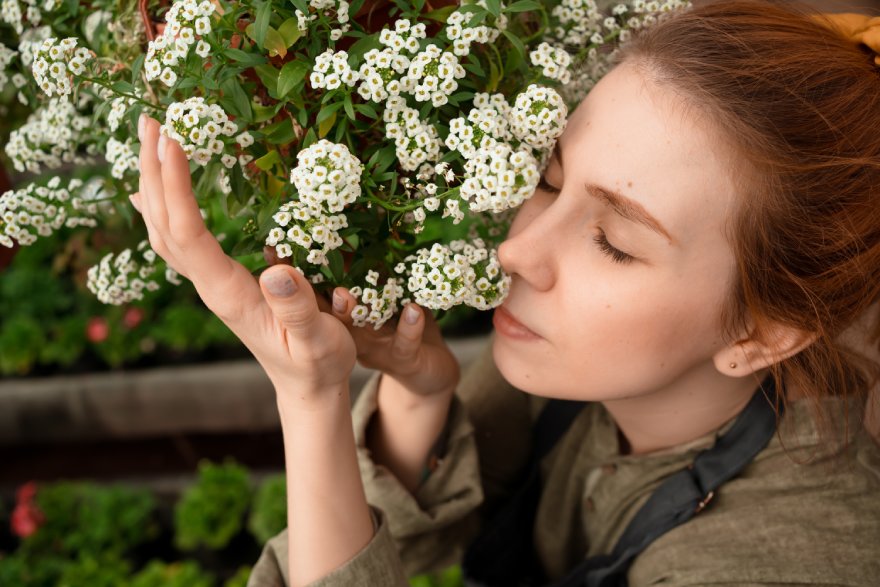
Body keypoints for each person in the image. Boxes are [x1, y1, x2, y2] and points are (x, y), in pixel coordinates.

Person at [131, 0, 880, 584]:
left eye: (615, 242)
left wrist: (308, 400)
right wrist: (421, 392)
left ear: (766, 333)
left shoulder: (787, 560)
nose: (518, 249)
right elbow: (418, 541)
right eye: (549, 181)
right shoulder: (571, 373)